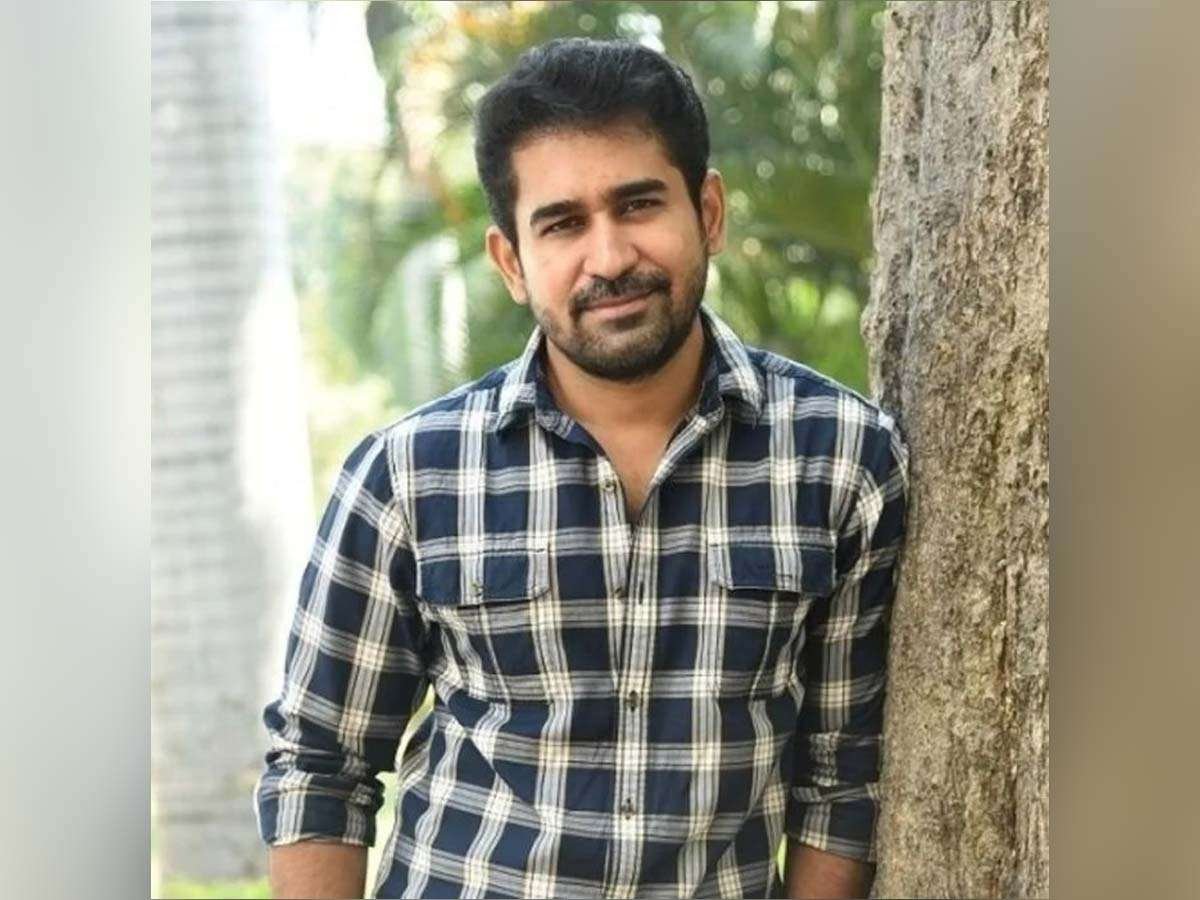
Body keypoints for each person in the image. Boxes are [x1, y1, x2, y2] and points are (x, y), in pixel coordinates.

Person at [254, 37, 908, 900]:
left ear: (708, 212)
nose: (609, 258)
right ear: (511, 262)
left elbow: (840, 777)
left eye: (638, 204)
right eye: (562, 223)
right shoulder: (409, 477)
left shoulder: (841, 458)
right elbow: (320, 763)